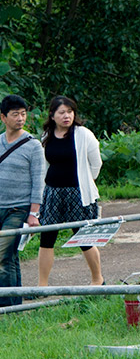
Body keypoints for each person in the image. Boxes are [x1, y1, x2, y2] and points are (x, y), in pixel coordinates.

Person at [37, 96, 104, 287]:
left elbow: (96, 163)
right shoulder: (47, 135)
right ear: (52, 115)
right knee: (47, 238)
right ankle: (42, 285)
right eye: (62, 112)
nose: (67, 116)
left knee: (84, 237)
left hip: (78, 193)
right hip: (52, 193)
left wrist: (86, 182)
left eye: (70, 112)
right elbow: (44, 165)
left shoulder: (83, 134)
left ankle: (97, 279)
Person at [0, 95, 44, 307]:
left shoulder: (33, 145)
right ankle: (15, 304)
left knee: (3, 255)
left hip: (19, 209)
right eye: (15, 114)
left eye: (23, 114)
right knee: (10, 257)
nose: (20, 118)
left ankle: (5, 306)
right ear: (3, 117)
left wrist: (33, 213)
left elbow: (38, 181)